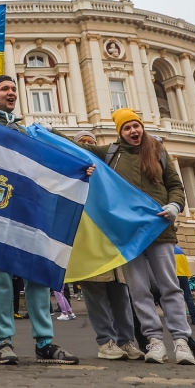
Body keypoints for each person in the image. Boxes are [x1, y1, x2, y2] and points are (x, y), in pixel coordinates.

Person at [0, 76, 79, 365]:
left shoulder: (24, 130)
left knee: (37, 273)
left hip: (28, 207)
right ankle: (2, 342)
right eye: (5, 89)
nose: (12, 93)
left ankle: (45, 342)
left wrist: (78, 169)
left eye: (14, 89)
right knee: (1, 276)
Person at [69, 108, 195, 365]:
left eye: (135, 126)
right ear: (120, 132)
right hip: (128, 234)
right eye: (126, 128)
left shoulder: (158, 151)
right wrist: (41, 130)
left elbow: (175, 186)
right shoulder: (110, 154)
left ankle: (181, 341)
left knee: (169, 287)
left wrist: (174, 206)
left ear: (141, 127)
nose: (133, 131)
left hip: (160, 229)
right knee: (139, 291)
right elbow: (73, 147)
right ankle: (155, 341)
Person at [70, 131, 142, 361]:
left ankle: (127, 341)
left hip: (112, 243)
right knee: (95, 293)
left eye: (91, 144)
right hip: (88, 242)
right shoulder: (72, 173)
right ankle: (106, 342)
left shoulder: (109, 172)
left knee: (120, 293)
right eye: (83, 144)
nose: (88, 148)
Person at [175, 245, 195, 326]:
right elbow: (186, 265)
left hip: (174, 276)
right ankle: (194, 318)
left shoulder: (168, 250)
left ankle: (180, 319)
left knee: (176, 298)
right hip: (183, 275)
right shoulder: (181, 251)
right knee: (188, 297)